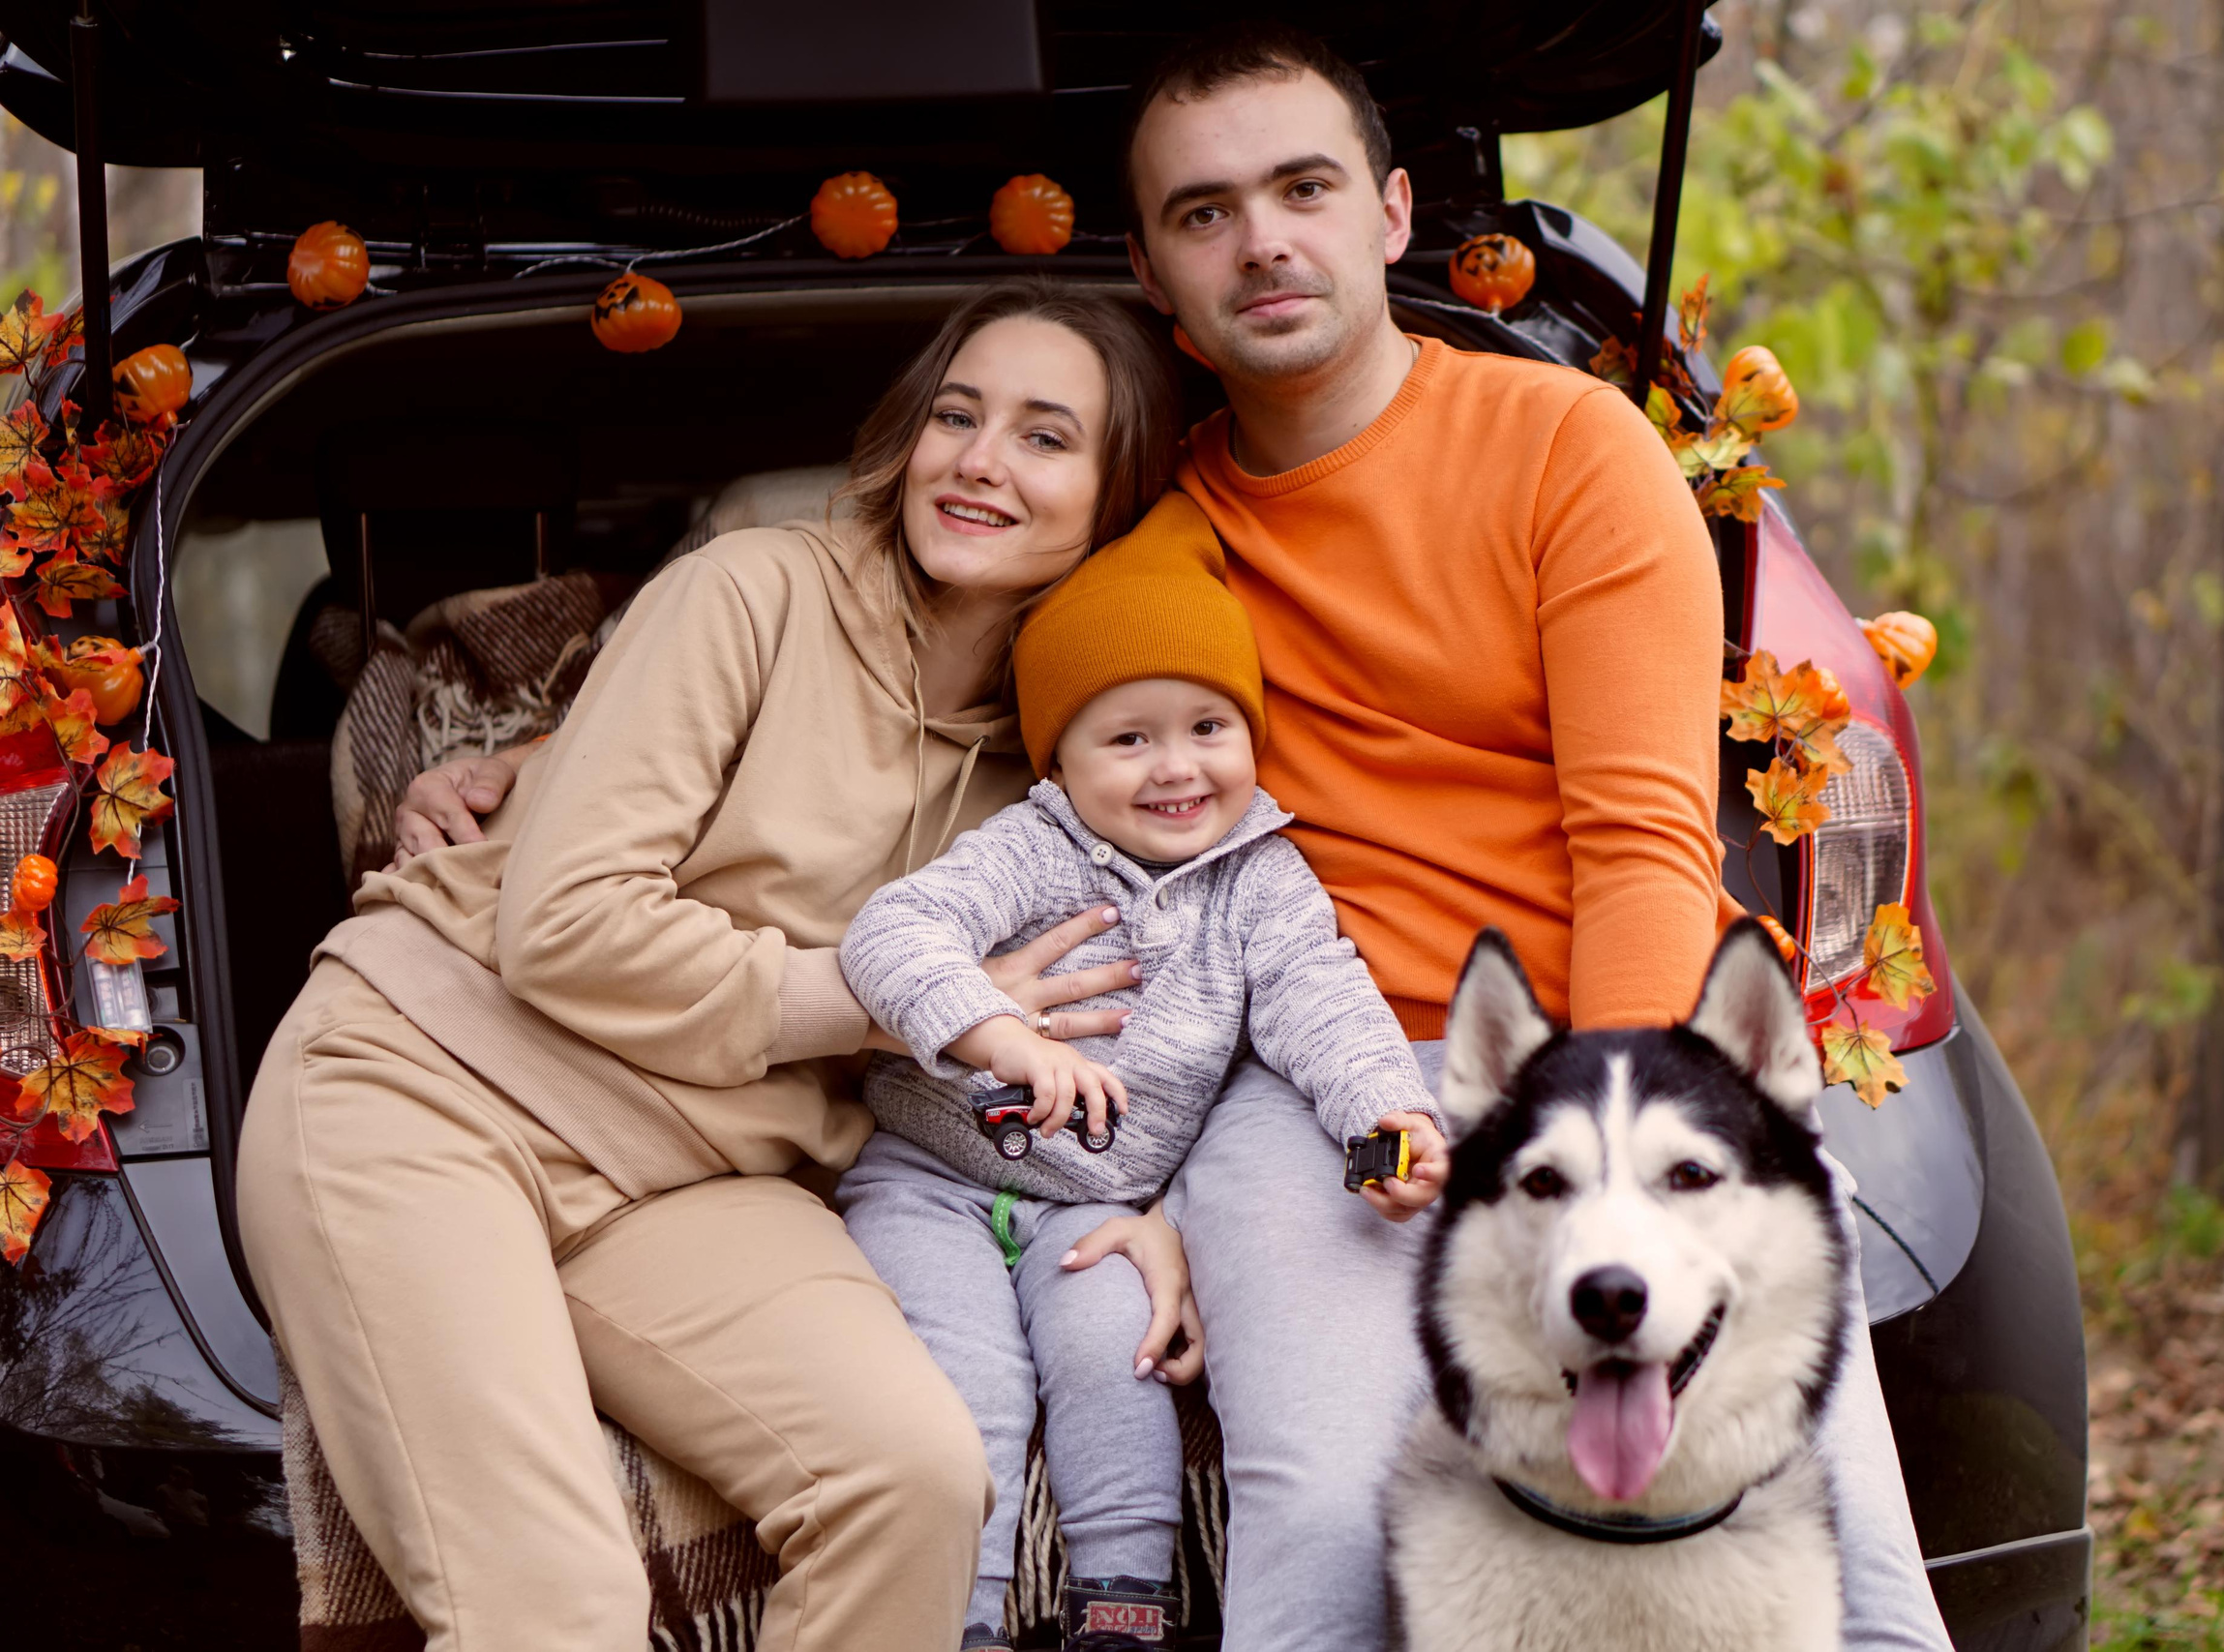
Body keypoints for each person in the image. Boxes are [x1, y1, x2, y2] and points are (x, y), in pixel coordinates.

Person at [395, 25, 1955, 1652]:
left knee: (1838, 1571)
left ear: (1391, 211)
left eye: (1303, 189)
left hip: (1600, 1053)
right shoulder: (1148, 530)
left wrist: (1596, 1172)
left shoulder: (1570, 448)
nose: (1263, 239)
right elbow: (896, 627)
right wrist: (552, 747)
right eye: (1205, 213)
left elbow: (1642, 842)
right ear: (1151, 267)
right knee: (1335, 1531)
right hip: (1281, 1077)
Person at [238, 280, 1185, 1652]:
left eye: (1046, 437)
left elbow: (1173, 1005)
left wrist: (1168, 1198)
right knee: (553, 1606)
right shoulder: (748, 592)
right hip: (422, 1091)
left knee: (914, 1480)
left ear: (1121, 497)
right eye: (957, 415)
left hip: (699, 1182)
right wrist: (906, 1005)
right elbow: (564, 922)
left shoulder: (1066, 771)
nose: (979, 458)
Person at [835, 499, 1445, 1650]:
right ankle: (954, 1623)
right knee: (971, 1387)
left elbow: (1324, 1009)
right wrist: (998, 1033)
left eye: (1209, 726)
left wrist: (1389, 1129)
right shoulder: (1033, 846)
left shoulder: (1262, 878)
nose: (1178, 767)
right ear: (1057, 759)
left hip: (1104, 1210)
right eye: (1129, 739)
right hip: (932, 1184)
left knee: (1115, 1367)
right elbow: (891, 934)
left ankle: (1126, 1613)